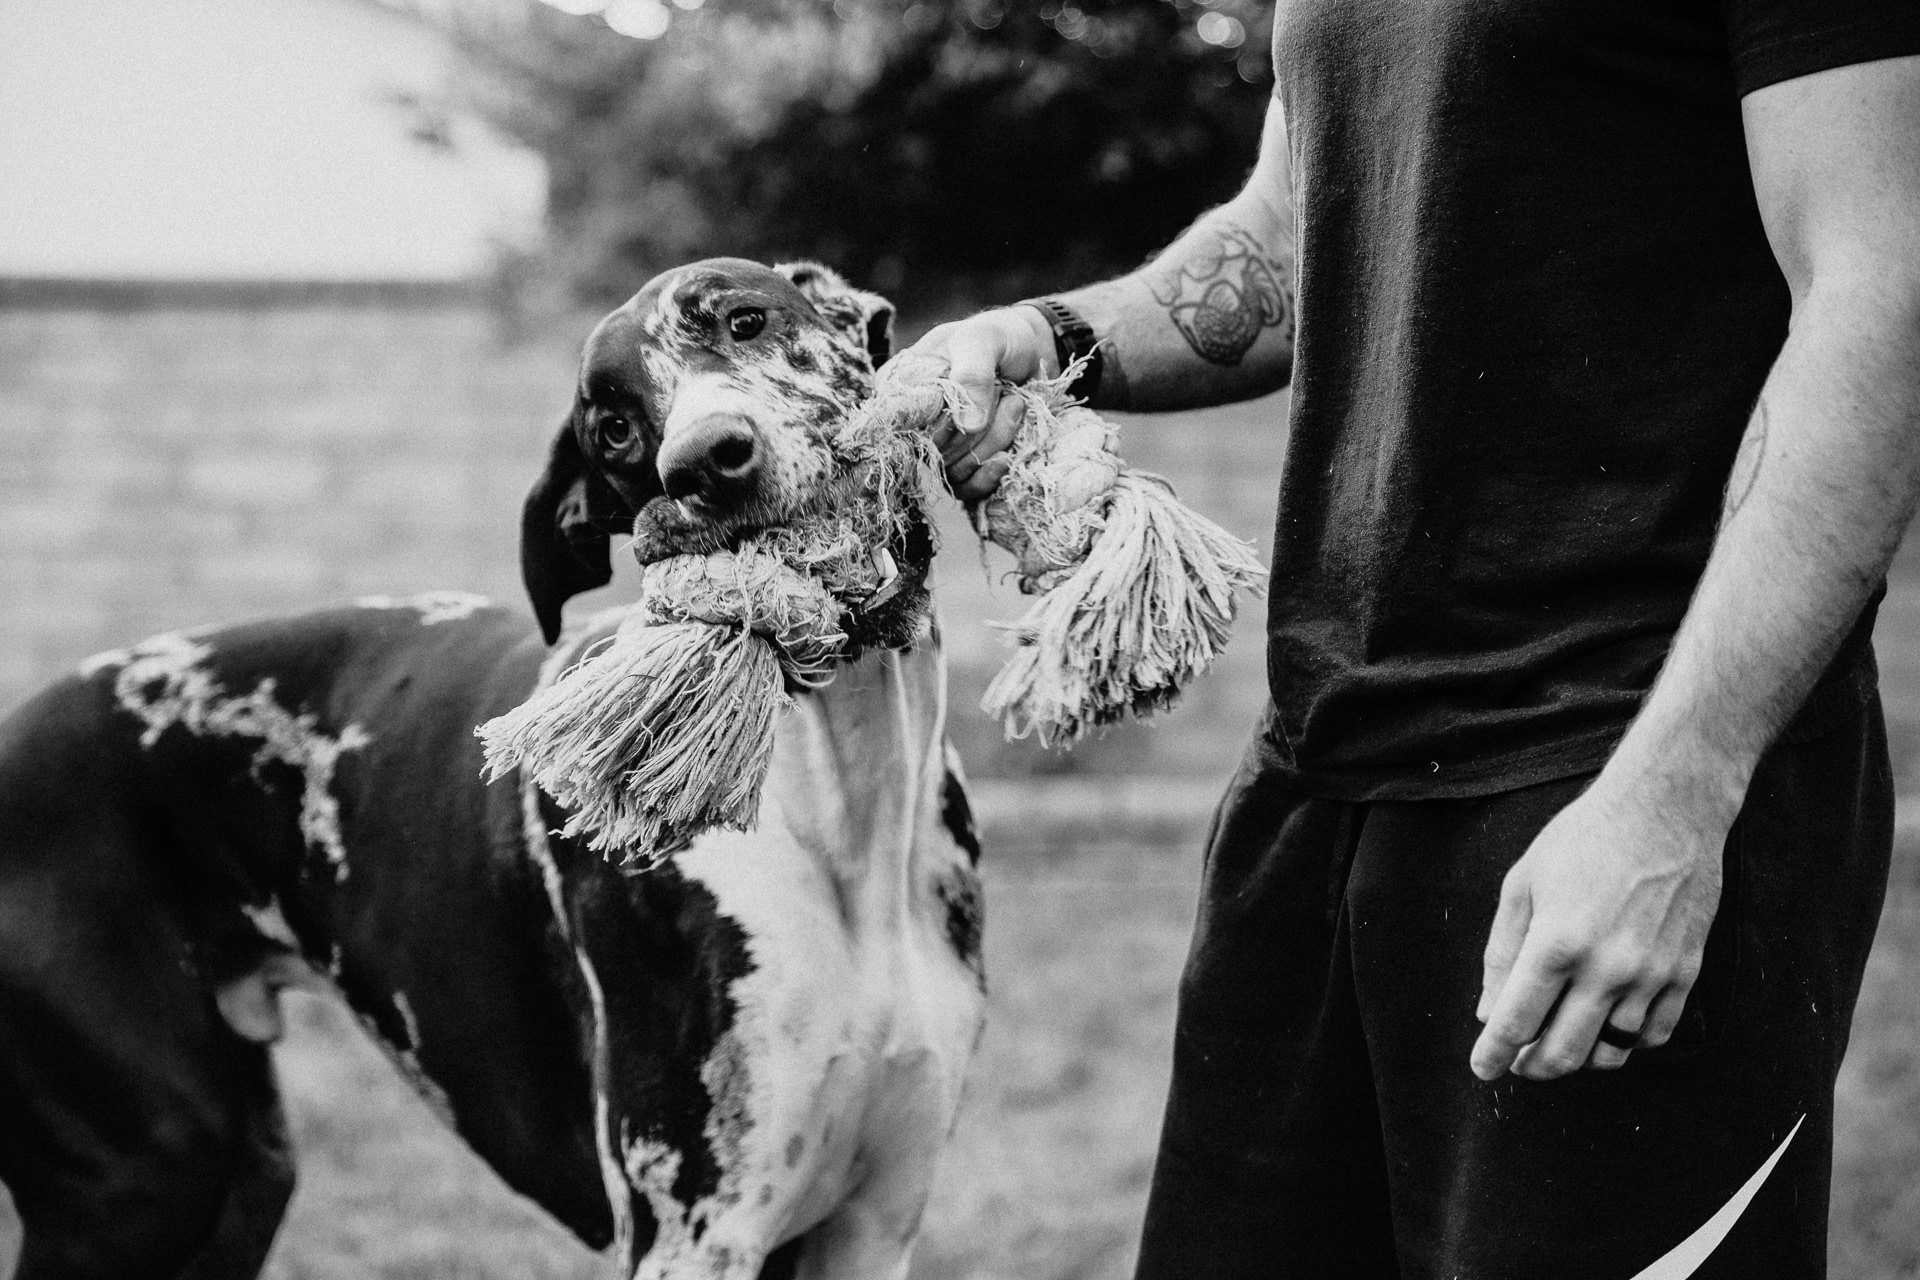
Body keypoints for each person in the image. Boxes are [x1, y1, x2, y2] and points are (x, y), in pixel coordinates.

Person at [900, 5, 1920, 1277]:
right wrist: (1052, 338)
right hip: (1322, 776)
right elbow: (1286, 239)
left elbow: (1884, 288)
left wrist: (1675, 798)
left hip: (1616, 769)